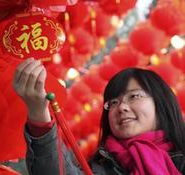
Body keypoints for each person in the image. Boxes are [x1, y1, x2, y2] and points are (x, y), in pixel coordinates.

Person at [13, 57, 185, 175]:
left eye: (134, 96)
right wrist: (38, 112)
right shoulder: (101, 168)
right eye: (113, 103)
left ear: (161, 103)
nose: (122, 107)